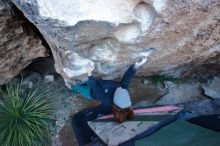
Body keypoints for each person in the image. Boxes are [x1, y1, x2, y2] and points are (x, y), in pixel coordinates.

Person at [72, 48, 156, 146]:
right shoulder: (122, 90)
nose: (119, 88)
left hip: (93, 91)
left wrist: (89, 74)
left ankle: (74, 87)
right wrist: (135, 66)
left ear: (115, 98)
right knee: (87, 84)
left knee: (80, 87)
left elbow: (94, 88)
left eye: (118, 91)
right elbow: (127, 79)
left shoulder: (106, 99)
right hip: (101, 87)